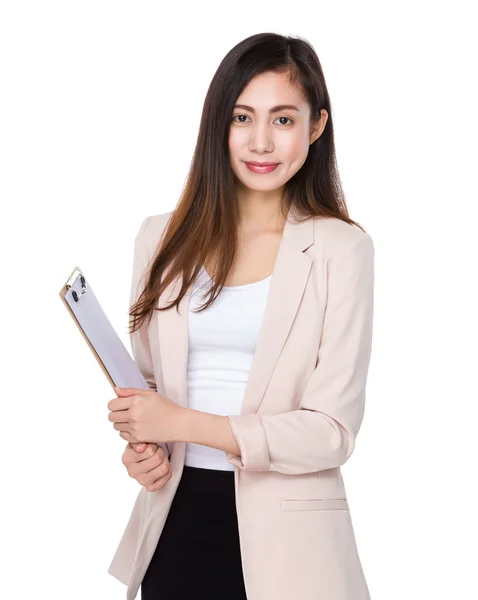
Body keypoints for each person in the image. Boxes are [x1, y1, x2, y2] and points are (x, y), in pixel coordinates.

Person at [107, 31, 375, 600]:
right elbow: (148, 387)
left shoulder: (341, 249)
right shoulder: (161, 238)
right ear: (218, 126)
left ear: (316, 126)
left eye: (282, 120)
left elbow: (331, 433)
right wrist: (142, 448)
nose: (260, 141)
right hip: (173, 523)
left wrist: (182, 424)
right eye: (241, 117)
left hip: (295, 545)